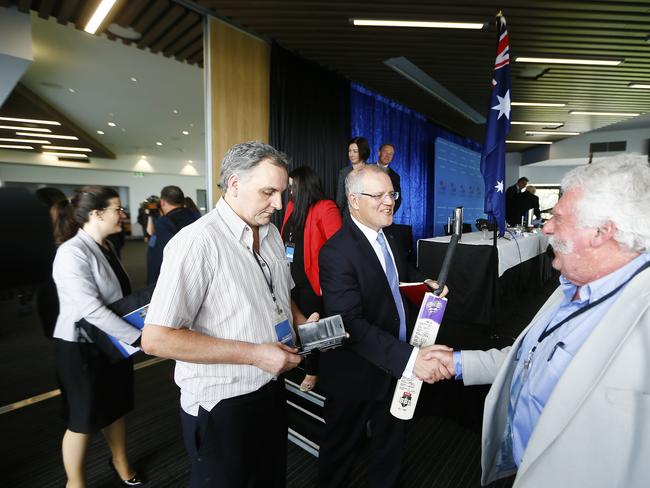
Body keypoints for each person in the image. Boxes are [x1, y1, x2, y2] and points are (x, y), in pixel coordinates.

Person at [428, 155, 650, 487]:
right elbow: (531, 359)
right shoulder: (572, 284)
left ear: (602, 232)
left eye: (558, 218)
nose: (545, 227)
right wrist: (458, 362)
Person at [141, 142, 318, 488]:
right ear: (234, 184)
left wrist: (299, 321)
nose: (279, 204)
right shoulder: (196, 243)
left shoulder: (271, 237)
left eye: (282, 193)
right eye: (268, 192)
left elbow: (281, 294)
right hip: (222, 403)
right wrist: (254, 354)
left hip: (272, 386)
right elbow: (156, 338)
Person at [317, 165, 452, 488]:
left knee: (390, 449)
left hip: (396, 367)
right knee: (339, 454)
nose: (388, 201)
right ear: (353, 201)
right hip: (356, 374)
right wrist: (409, 359)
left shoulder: (391, 237)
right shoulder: (336, 252)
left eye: (391, 193)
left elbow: (393, 279)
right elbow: (350, 322)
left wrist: (423, 285)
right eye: (377, 195)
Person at [51, 186, 142, 488]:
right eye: (118, 208)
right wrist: (138, 339)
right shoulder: (71, 252)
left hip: (111, 342)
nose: (123, 214)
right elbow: (91, 310)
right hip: (81, 347)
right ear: (96, 214)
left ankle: (121, 461)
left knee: (116, 406)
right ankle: (74, 483)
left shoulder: (106, 246)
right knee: (83, 419)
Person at [281, 166, 342, 391]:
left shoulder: (325, 207)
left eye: (293, 185)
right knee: (295, 322)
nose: (289, 190)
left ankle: (313, 371)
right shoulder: (290, 207)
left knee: (311, 326)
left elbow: (338, 249)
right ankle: (301, 359)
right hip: (289, 277)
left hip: (312, 281)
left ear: (305, 185)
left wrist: (332, 281)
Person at [146, 185, 199, 284]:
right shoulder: (195, 216)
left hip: (170, 279)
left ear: (162, 202)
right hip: (194, 273)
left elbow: (167, 253)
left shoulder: (165, 222)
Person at [335, 136, 370, 216]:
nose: (351, 154)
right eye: (349, 151)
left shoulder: (371, 170)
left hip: (367, 214)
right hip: (348, 215)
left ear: (363, 152)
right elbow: (340, 200)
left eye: (355, 151)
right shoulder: (343, 172)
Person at [375, 143, 402, 214]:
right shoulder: (366, 170)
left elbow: (397, 199)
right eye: (385, 152)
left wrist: (388, 214)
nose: (388, 156)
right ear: (379, 153)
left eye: (391, 154)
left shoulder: (395, 176)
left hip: (384, 216)